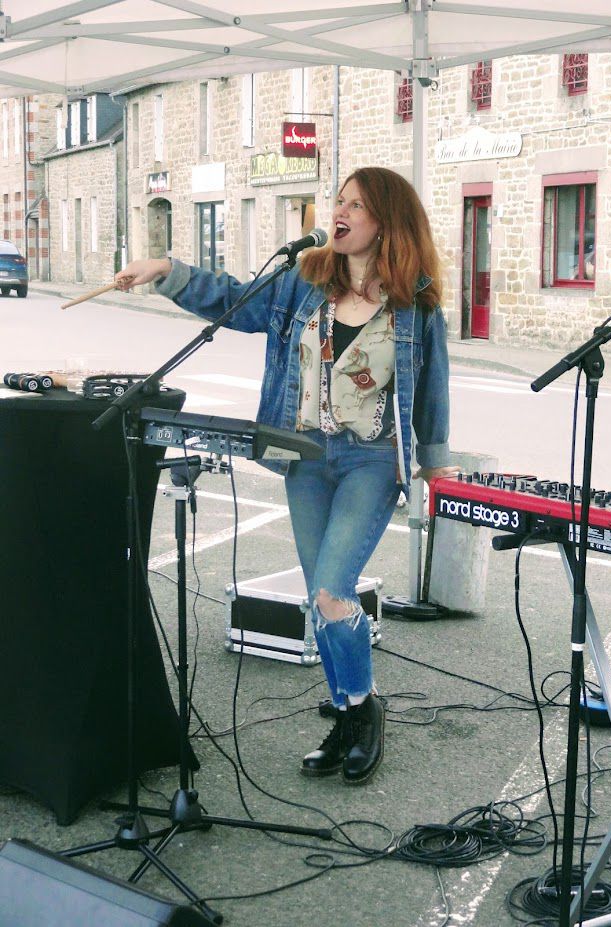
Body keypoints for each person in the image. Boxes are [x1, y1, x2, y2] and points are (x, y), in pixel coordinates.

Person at [115, 166, 456, 785]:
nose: (341, 212)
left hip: (372, 461)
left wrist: (434, 467)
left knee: (332, 590)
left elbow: (432, 391)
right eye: (339, 201)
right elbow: (234, 300)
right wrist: (167, 272)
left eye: (356, 204)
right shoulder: (305, 281)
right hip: (305, 456)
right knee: (321, 601)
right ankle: (350, 712)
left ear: (386, 220)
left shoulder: (416, 301)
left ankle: (363, 709)